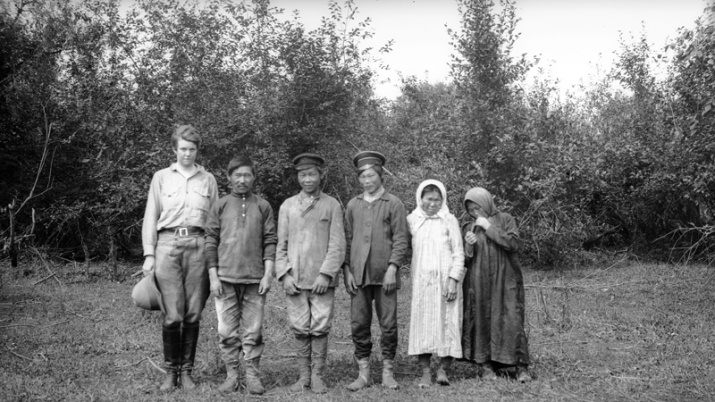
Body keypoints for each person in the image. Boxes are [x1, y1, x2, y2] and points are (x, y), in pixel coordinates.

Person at [141, 125, 218, 392]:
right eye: (183, 148)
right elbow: (151, 216)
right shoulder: (161, 177)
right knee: (172, 314)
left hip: (198, 245)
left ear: (198, 150)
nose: (188, 153)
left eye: (192, 149)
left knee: (193, 313)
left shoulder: (208, 180)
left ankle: (187, 372)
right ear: (175, 149)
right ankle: (170, 372)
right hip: (167, 245)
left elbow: (214, 222)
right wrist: (149, 254)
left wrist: (214, 257)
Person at [204, 155, 277, 395]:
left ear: (253, 178)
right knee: (226, 330)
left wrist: (268, 275)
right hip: (224, 279)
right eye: (238, 175)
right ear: (229, 178)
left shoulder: (263, 206)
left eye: (247, 175)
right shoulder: (220, 205)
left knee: (253, 330)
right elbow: (210, 241)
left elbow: (269, 241)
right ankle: (232, 375)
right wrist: (213, 277)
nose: (242, 180)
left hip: (255, 280)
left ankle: (253, 376)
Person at [275, 153, 346, 394]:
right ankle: (303, 376)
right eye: (303, 175)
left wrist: (326, 274)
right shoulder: (288, 206)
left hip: (321, 281)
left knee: (320, 326)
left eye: (312, 174)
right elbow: (280, 245)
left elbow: (337, 244)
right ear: (297, 177)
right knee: (299, 327)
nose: (308, 179)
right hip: (295, 280)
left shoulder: (332, 205)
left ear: (320, 175)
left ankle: (317, 376)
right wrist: (284, 275)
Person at [343, 151, 409, 391]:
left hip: (385, 276)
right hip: (358, 276)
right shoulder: (353, 205)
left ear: (380, 175)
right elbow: (347, 241)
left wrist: (393, 268)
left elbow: (401, 239)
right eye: (362, 177)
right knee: (359, 323)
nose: (367, 181)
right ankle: (363, 373)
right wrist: (347, 271)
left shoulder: (394, 203)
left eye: (371, 175)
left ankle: (388, 372)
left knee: (388, 324)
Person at [461, 187, 531, 382]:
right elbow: (464, 261)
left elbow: (513, 244)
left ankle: (520, 366)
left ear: (487, 203)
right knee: (482, 319)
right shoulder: (469, 226)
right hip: (478, 280)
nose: (476, 213)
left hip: (505, 278)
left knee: (510, 319)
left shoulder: (505, 219)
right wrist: (468, 245)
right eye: (472, 210)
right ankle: (487, 366)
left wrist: (488, 227)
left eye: (478, 207)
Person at [406, 179, 465, 388]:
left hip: (446, 283)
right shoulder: (412, 220)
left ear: (443, 200)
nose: (433, 203)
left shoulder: (450, 220)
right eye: (429, 199)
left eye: (437, 199)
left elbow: (459, 253)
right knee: (423, 325)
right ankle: (424, 372)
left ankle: (443, 370)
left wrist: (453, 280)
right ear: (420, 198)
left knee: (448, 324)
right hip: (422, 283)